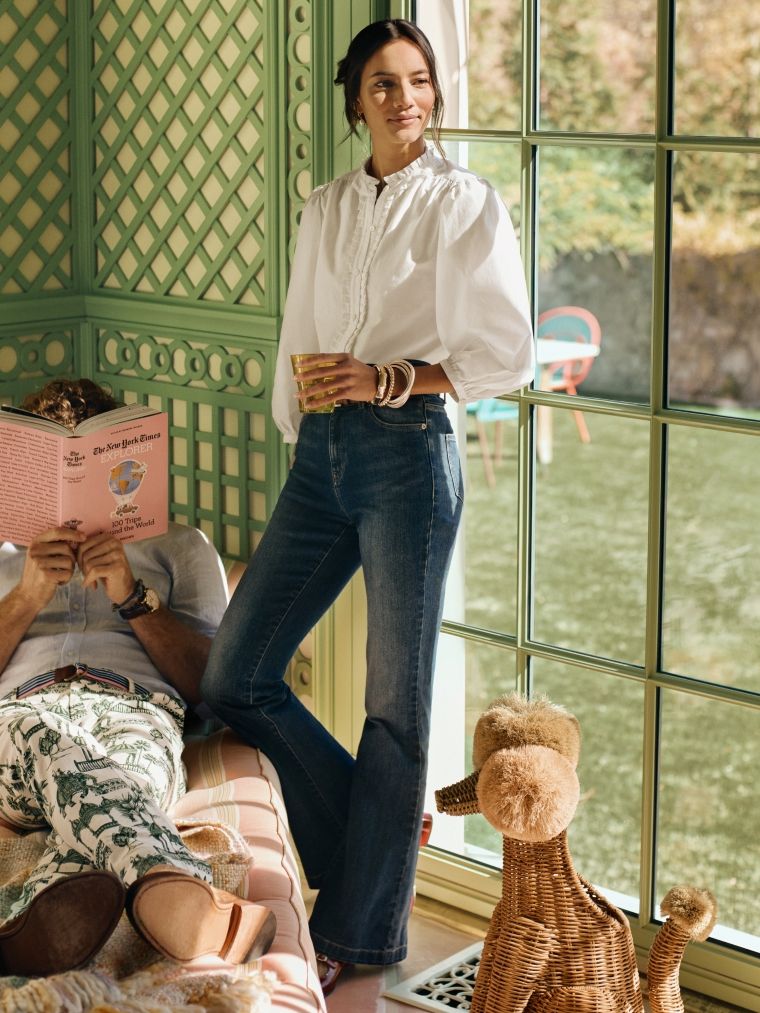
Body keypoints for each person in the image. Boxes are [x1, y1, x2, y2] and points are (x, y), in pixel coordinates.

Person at [201, 18, 534, 994]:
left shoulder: (464, 203)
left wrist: (388, 376)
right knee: (236, 671)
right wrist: (303, 412)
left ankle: (360, 928)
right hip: (322, 457)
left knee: (395, 707)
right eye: (383, 83)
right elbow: (298, 330)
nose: (404, 97)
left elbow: (501, 354)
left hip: (408, 457)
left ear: (435, 92)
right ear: (356, 98)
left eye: (418, 80)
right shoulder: (325, 205)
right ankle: (373, 842)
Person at [0, 378, 275, 977]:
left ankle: (20, 923)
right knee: (46, 735)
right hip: (19, 716)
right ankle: (188, 896)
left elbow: (210, 686)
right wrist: (26, 594)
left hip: (135, 709)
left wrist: (134, 598)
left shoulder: (179, 546)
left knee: (132, 776)